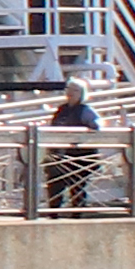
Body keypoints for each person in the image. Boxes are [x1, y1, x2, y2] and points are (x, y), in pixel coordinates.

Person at [43, 78, 100, 214]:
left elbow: (97, 126)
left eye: (75, 90)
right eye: (69, 89)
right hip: (59, 155)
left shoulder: (86, 111)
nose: (71, 93)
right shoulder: (62, 110)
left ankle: (77, 214)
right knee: (54, 184)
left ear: (82, 93)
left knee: (77, 186)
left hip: (79, 156)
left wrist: (81, 136)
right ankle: (53, 213)